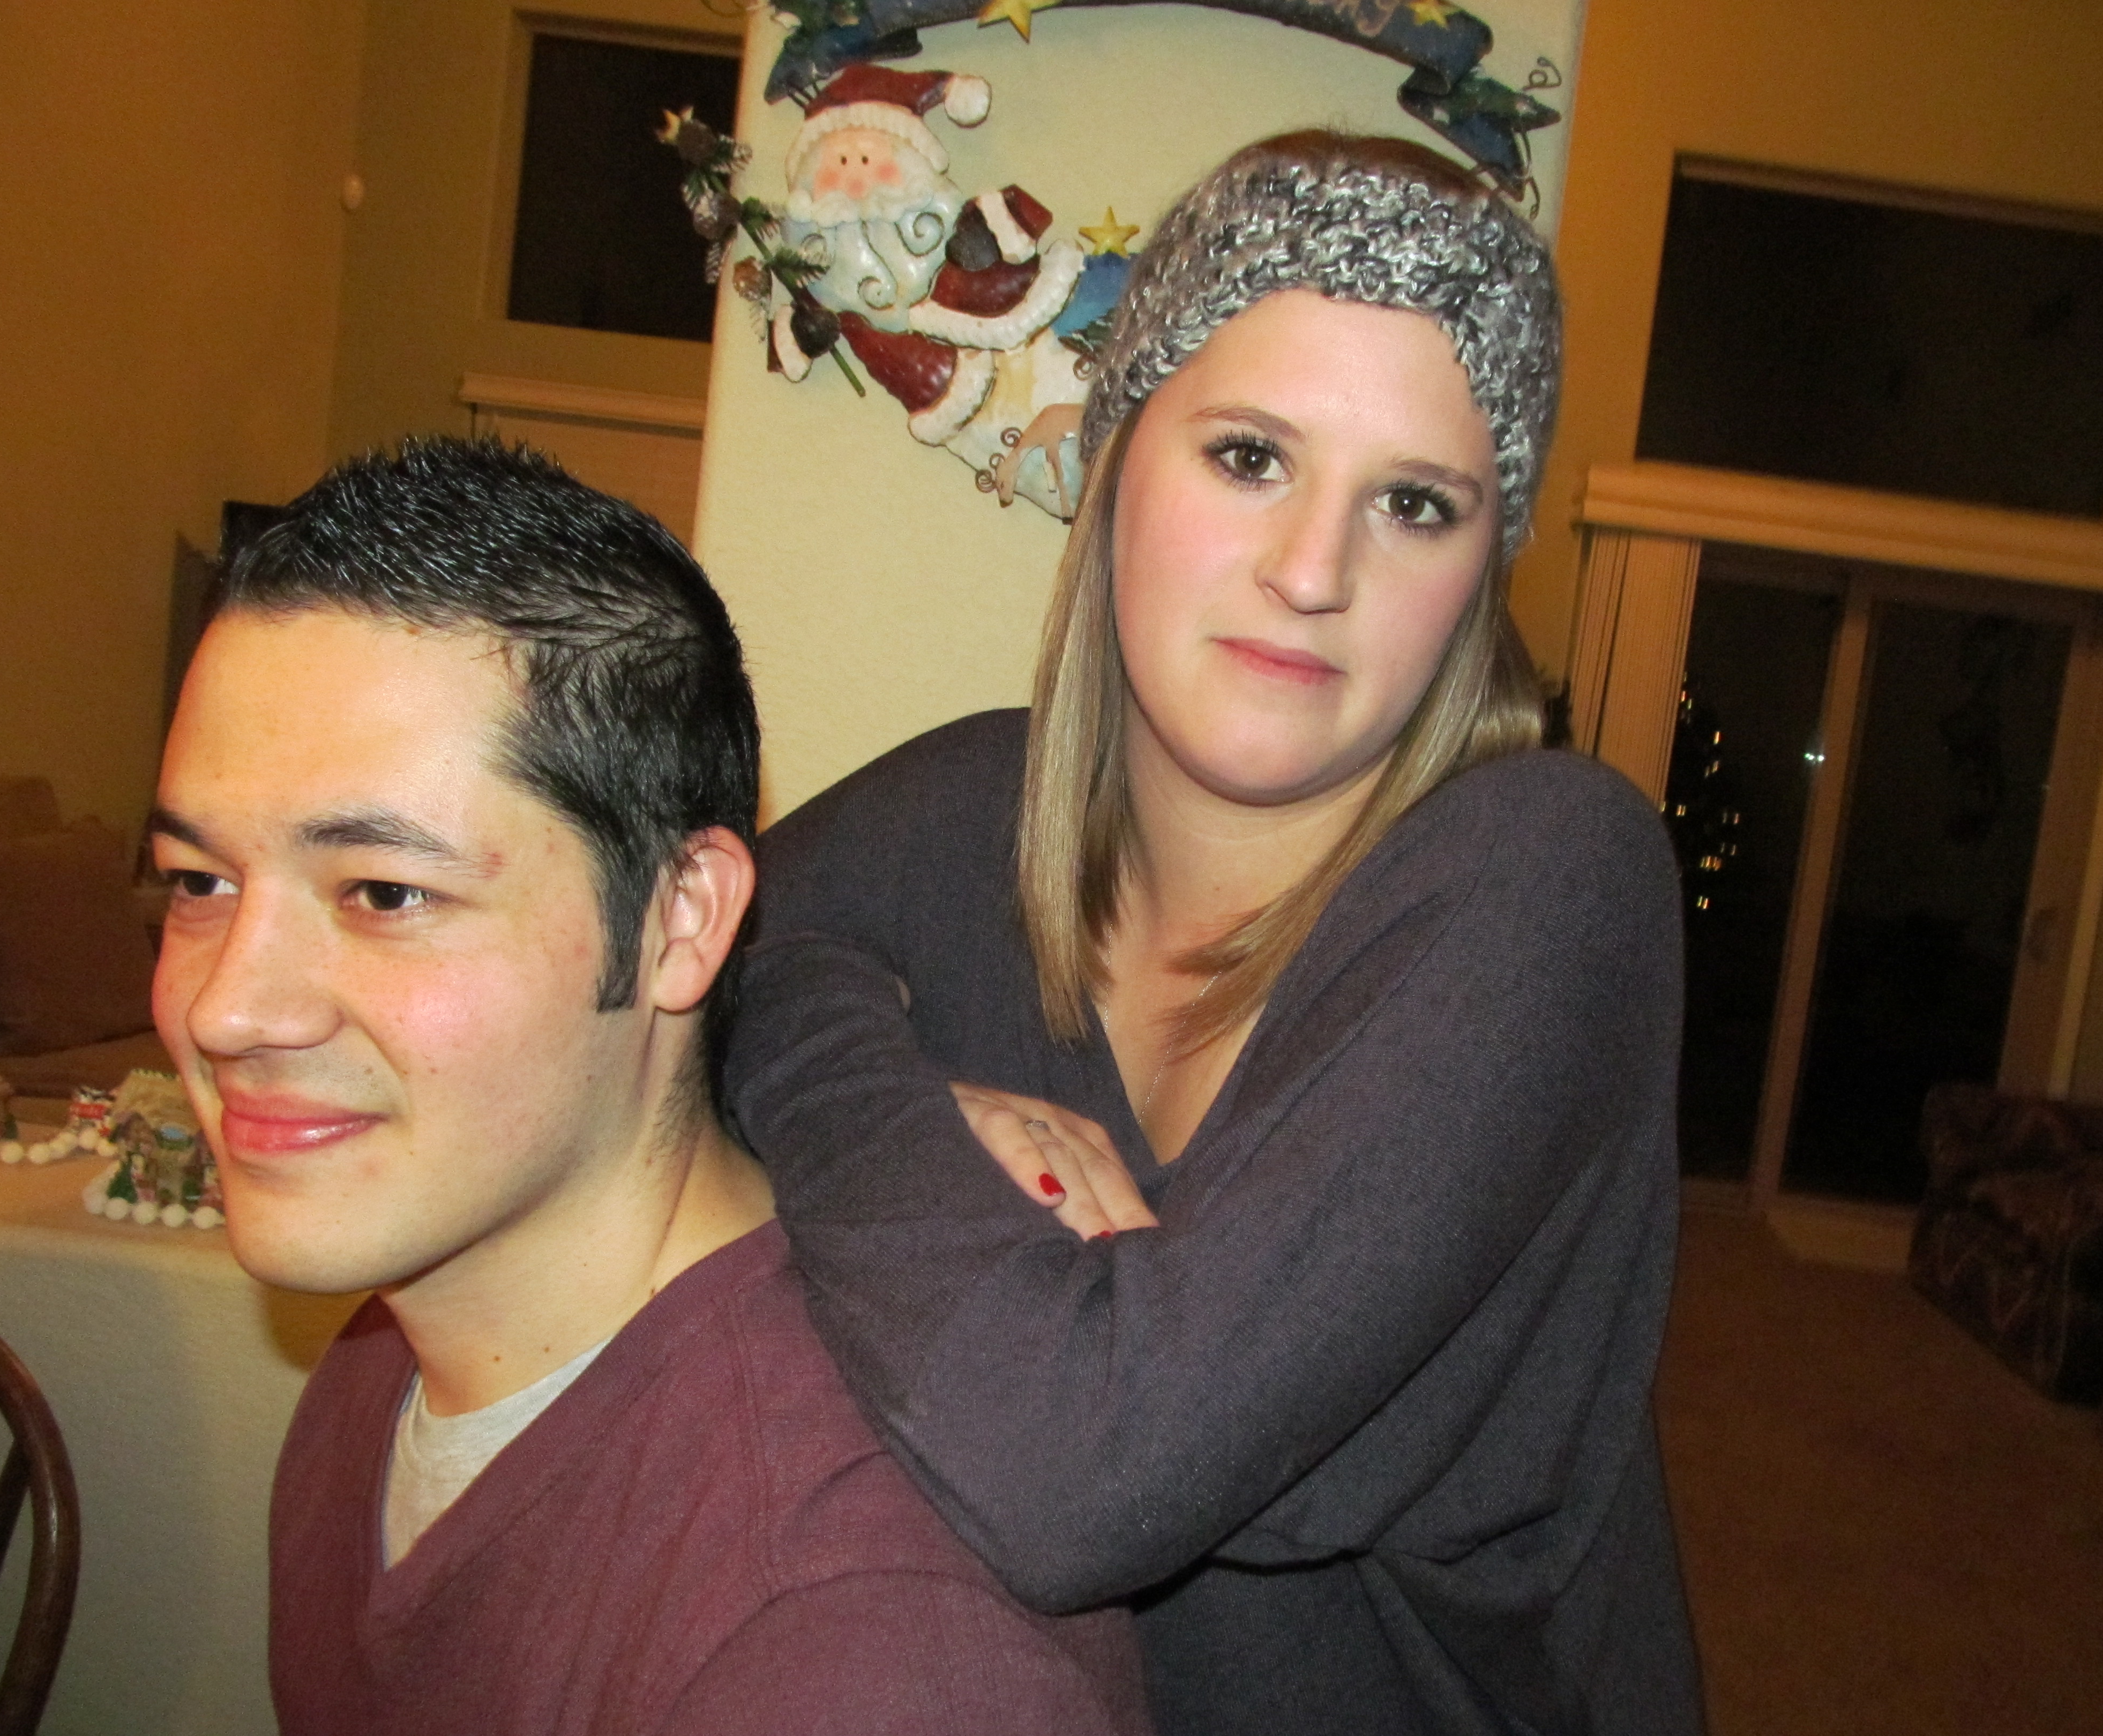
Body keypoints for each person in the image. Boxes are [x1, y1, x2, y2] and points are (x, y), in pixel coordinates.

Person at [723, 132, 1704, 1734]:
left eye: (1415, 504)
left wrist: (856, 1087)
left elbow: (1077, 1472)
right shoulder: (967, 811)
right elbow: (669, 979)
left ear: (1483, 571)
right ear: (1117, 464)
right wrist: (909, 1096)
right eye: (1250, 457)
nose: (1314, 571)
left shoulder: (1553, 884)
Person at [146, 439, 1149, 1736]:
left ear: (680, 919)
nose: (226, 1009)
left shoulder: (864, 1643)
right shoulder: (388, 1352)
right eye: (199, 882)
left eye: (385, 894)